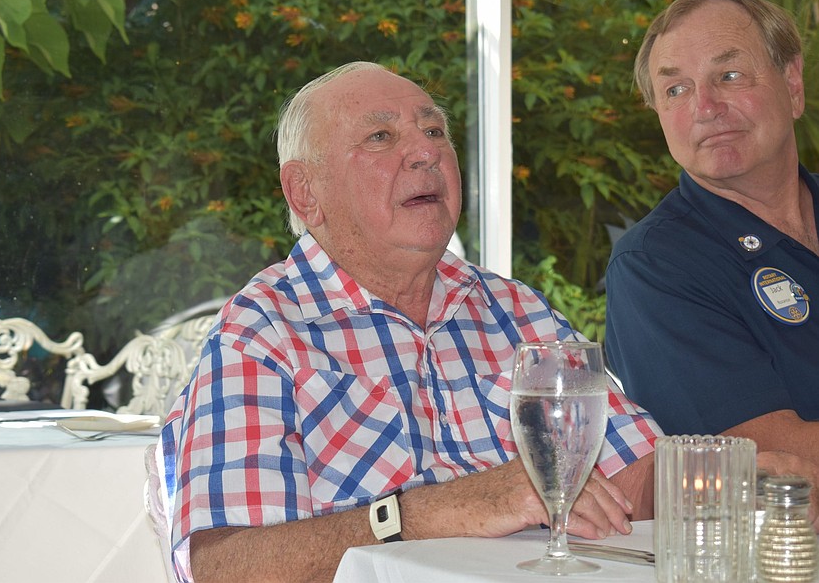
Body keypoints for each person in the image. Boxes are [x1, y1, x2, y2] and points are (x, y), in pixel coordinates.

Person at [160, 61, 663, 583]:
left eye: (434, 131)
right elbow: (222, 566)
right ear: (305, 192)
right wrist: (424, 514)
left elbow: (636, 475)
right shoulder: (264, 333)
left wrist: (729, 475)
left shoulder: (516, 312)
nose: (427, 152)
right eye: (380, 136)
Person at [605, 0, 819, 463]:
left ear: (793, 85)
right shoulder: (656, 265)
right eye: (676, 89)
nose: (705, 107)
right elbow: (769, 455)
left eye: (730, 74)